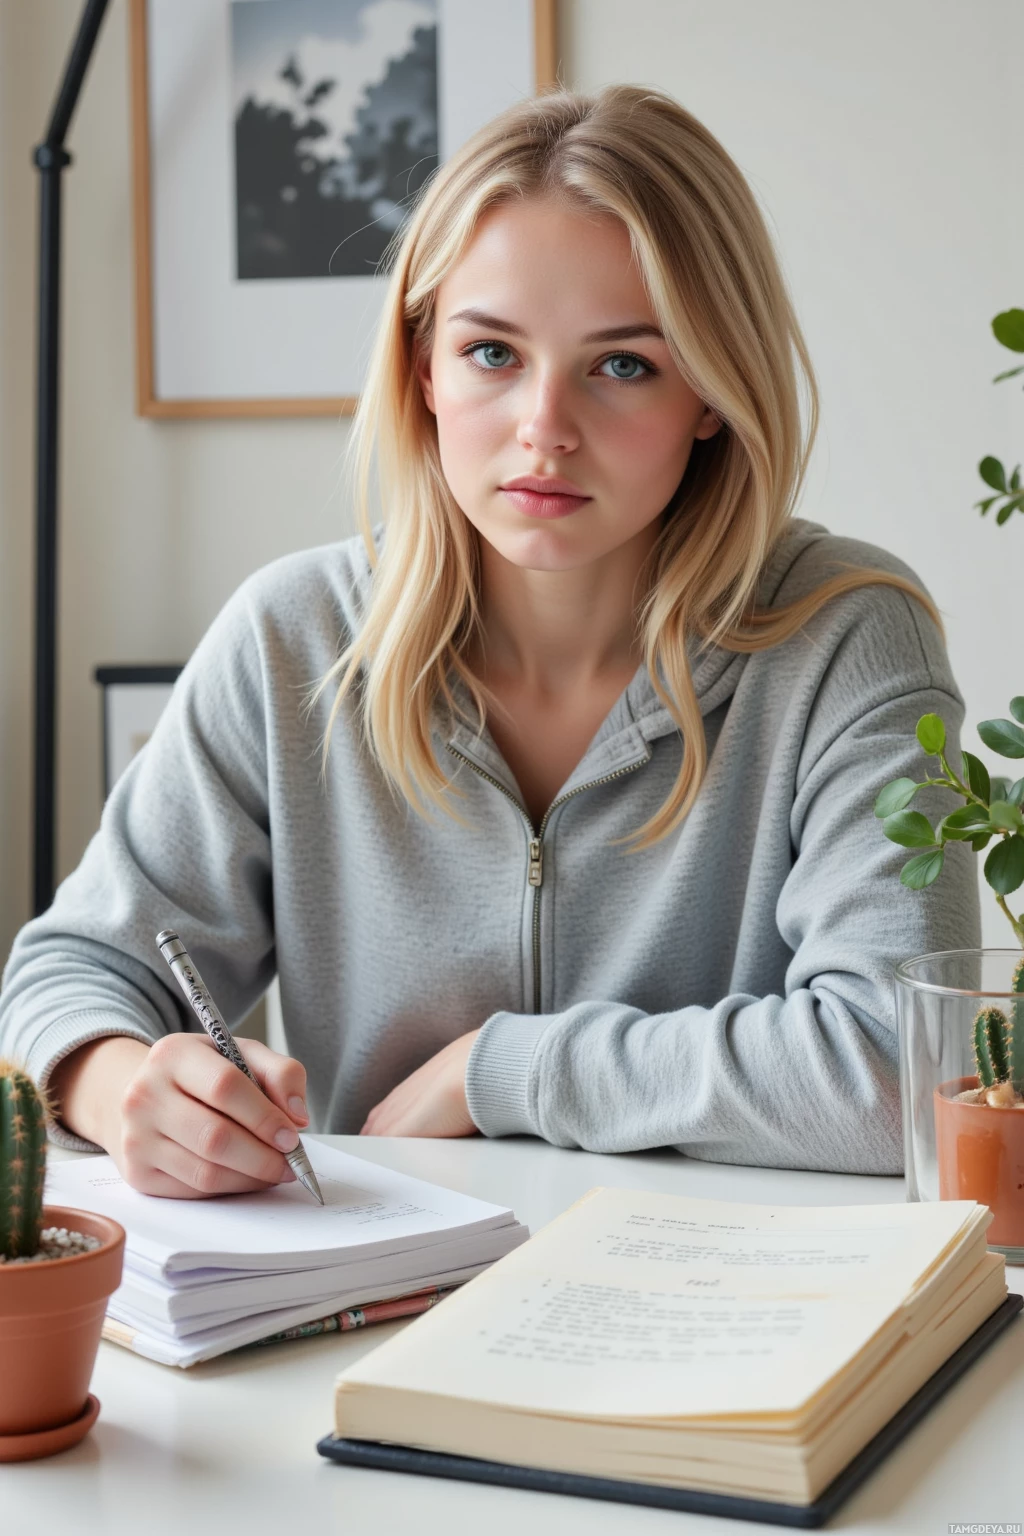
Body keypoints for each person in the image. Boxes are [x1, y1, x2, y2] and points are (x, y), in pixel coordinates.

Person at [0, 85, 978, 1198]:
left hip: (732, 1325)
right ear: (421, 368)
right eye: (491, 353)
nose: (544, 430)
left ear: (711, 389)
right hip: (373, 1309)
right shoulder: (293, 640)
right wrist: (119, 1080)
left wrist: (501, 1070)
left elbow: (905, 1066)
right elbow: (74, 971)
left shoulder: (847, 637)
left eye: (624, 364)